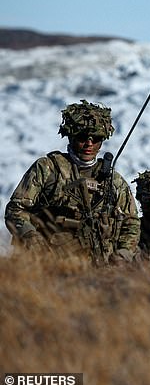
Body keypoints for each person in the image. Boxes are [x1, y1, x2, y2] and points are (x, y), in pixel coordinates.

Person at [4, 100, 140, 264]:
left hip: (101, 268)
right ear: (71, 136)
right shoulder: (49, 168)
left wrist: (122, 254)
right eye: (83, 137)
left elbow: (131, 222)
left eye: (95, 138)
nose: (89, 144)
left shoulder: (113, 180)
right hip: (48, 265)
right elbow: (15, 210)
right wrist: (31, 237)